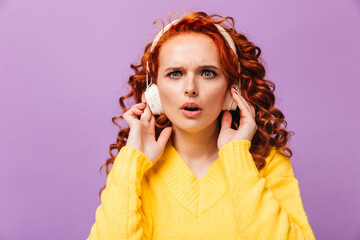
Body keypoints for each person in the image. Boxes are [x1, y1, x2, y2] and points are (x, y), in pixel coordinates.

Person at [87, 11, 316, 240]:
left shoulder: (269, 164)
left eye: (207, 73)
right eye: (175, 73)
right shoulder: (135, 169)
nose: (191, 88)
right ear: (154, 91)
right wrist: (131, 165)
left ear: (231, 88)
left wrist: (238, 161)